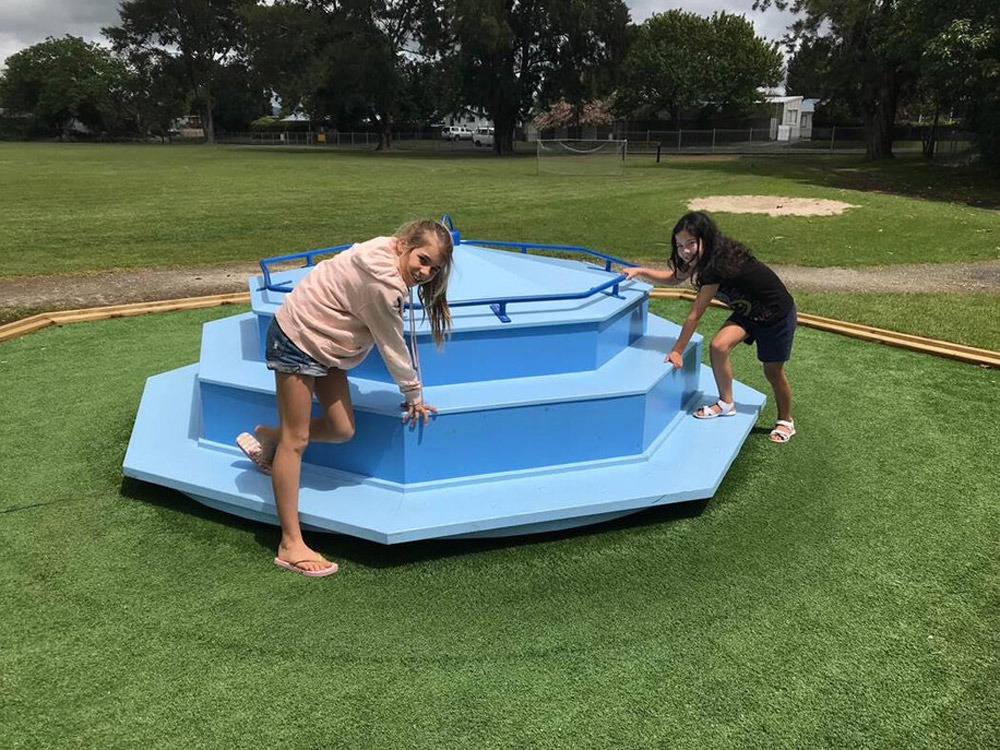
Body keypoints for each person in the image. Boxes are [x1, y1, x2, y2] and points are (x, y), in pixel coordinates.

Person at [237, 219, 455, 577]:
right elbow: (391, 345)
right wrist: (413, 393)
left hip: (328, 344)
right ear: (403, 245)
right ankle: (290, 543)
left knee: (341, 429)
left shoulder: (386, 249)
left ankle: (269, 437)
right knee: (298, 440)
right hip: (297, 336)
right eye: (423, 259)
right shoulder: (384, 286)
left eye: (435, 267)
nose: (426, 272)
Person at [623, 210, 797, 444]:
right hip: (748, 312)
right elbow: (674, 278)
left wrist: (677, 350)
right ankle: (726, 403)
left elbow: (696, 314)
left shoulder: (715, 265)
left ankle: (786, 420)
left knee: (772, 372)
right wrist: (640, 271)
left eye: (691, 243)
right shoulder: (700, 258)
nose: (685, 251)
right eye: (679, 245)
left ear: (706, 239)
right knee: (718, 346)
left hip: (776, 315)